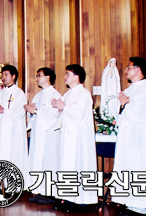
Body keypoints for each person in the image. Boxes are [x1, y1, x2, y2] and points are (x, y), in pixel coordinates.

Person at [112, 57, 146, 215]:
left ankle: (140, 208)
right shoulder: (129, 90)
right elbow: (118, 112)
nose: (126, 70)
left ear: (139, 69)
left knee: (139, 168)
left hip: (140, 139)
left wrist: (126, 104)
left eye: (129, 67)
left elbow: (139, 113)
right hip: (127, 138)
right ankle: (130, 204)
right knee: (127, 168)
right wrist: (122, 105)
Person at [51, 64, 97, 211]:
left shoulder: (84, 94)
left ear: (77, 76)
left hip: (79, 138)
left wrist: (64, 107)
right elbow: (63, 114)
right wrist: (59, 108)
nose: (65, 76)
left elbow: (79, 114)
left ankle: (83, 202)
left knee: (79, 165)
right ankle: (69, 198)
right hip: (67, 137)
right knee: (67, 166)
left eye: (67, 74)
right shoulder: (68, 94)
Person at [23, 67, 61, 204]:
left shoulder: (55, 95)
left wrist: (37, 111)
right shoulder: (38, 96)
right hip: (38, 134)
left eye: (40, 75)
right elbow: (34, 116)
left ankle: (50, 194)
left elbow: (54, 116)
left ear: (48, 77)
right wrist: (31, 112)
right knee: (37, 161)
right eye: (37, 75)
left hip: (49, 135)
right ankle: (39, 190)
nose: (37, 78)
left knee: (49, 162)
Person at [0, 65, 30, 189]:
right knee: (0, 155)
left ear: (13, 76)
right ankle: (0, 185)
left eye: (6, 74)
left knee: (12, 156)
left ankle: (13, 185)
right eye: (2, 75)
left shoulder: (19, 93)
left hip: (13, 132)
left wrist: (4, 111)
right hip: (1, 131)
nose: (3, 77)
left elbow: (20, 112)